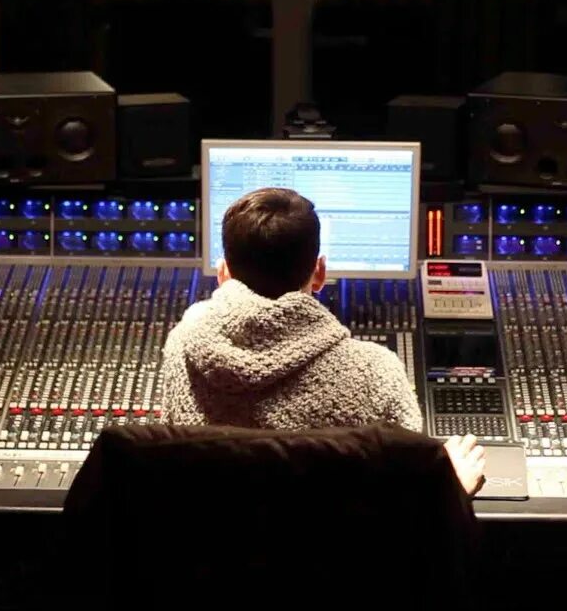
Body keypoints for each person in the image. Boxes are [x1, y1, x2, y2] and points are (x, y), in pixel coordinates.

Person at [161, 187, 486, 494]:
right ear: (319, 273)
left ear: (223, 273)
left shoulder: (182, 346)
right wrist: (451, 488)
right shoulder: (377, 373)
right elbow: (405, 502)